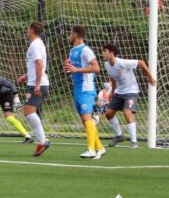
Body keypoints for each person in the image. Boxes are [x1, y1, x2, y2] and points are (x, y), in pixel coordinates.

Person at [101, 43, 157, 148]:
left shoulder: (122, 62)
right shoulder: (107, 65)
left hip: (131, 91)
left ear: (111, 53)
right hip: (119, 92)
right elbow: (113, 78)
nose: (102, 53)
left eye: (105, 51)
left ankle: (134, 142)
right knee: (108, 114)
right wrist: (112, 91)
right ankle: (119, 136)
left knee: (127, 113)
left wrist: (150, 77)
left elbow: (141, 63)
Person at [64, 25, 104, 159]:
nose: (69, 35)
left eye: (71, 32)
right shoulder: (72, 51)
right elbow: (74, 68)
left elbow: (96, 68)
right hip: (77, 89)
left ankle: (91, 149)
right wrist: (70, 68)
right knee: (85, 121)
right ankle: (100, 147)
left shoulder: (86, 50)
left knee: (87, 119)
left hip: (86, 89)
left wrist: (76, 70)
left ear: (76, 34)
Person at [17, 21, 51, 157]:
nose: (26, 30)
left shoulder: (35, 44)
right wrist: (26, 76)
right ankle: (43, 139)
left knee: (29, 112)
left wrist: (37, 84)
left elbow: (39, 63)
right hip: (37, 82)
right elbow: (37, 65)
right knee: (29, 112)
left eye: (27, 28)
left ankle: (42, 141)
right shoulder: (38, 43)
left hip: (39, 84)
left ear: (31, 30)